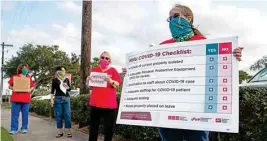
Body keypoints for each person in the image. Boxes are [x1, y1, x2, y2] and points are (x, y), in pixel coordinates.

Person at [122, 4, 243, 141]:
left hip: (196, 111)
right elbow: (154, 74)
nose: (172, 20)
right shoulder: (163, 46)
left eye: (175, 16)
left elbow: (219, 69)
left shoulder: (203, 43)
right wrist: (133, 71)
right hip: (168, 110)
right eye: (169, 18)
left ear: (189, 18)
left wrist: (232, 56)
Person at [87, 51, 122, 141]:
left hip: (109, 105)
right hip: (95, 104)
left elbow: (117, 84)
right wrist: (87, 81)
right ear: (99, 59)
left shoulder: (113, 71)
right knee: (93, 128)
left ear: (110, 61)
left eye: (107, 58)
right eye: (102, 57)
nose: (104, 59)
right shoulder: (94, 70)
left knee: (109, 130)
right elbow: (90, 86)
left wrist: (111, 81)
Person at [8, 64, 34, 134]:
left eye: (27, 68)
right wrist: (14, 88)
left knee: (25, 115)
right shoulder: (15, 77)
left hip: (26, 99)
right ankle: (13, 129)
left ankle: (24, 128)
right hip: (16, 99)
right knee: (14, 115)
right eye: (24, 68)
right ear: (20, 69)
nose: (26, 70)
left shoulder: (29, 78)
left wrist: (30, 89)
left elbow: (32, 86)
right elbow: (9, 86)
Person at [50, 66, 72, 138]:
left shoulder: (66, 79)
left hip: (66, 98)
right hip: (57, 99)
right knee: (58, 115)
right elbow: (52, 91)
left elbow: (69, 89)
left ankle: (69, 131)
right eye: (62, 70)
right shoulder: (54, 80)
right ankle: (60, 132)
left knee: (67, 115)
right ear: (58, 72)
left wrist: (66, 86)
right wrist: (51, 99)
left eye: (64, 71)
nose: (64, 72)